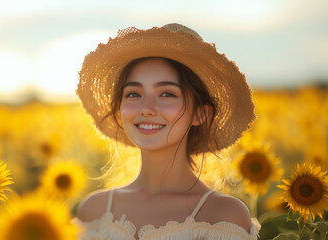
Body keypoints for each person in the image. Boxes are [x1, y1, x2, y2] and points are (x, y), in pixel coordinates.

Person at [72, 23, 260, 240]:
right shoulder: (94, 211)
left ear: (201, 114)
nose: (146, 109)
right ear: (119, 109)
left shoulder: (224, 217)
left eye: (167, 94)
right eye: (133, 94)